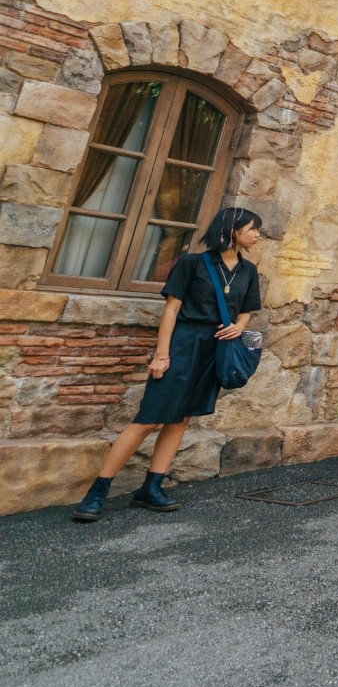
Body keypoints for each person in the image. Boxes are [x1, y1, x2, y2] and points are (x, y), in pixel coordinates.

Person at [73, 208, 264, 521]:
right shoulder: (192, 263)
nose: (257, 235)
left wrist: (240, 327)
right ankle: (97, 491)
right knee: (148, 419)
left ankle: (151, 488)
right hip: (183, 343)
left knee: (181, 420)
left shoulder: (248, 270)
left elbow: (248, 309)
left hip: (214, 350)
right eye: (253, 229)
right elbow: (171, 311)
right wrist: (162, 354)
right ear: (232, 230)